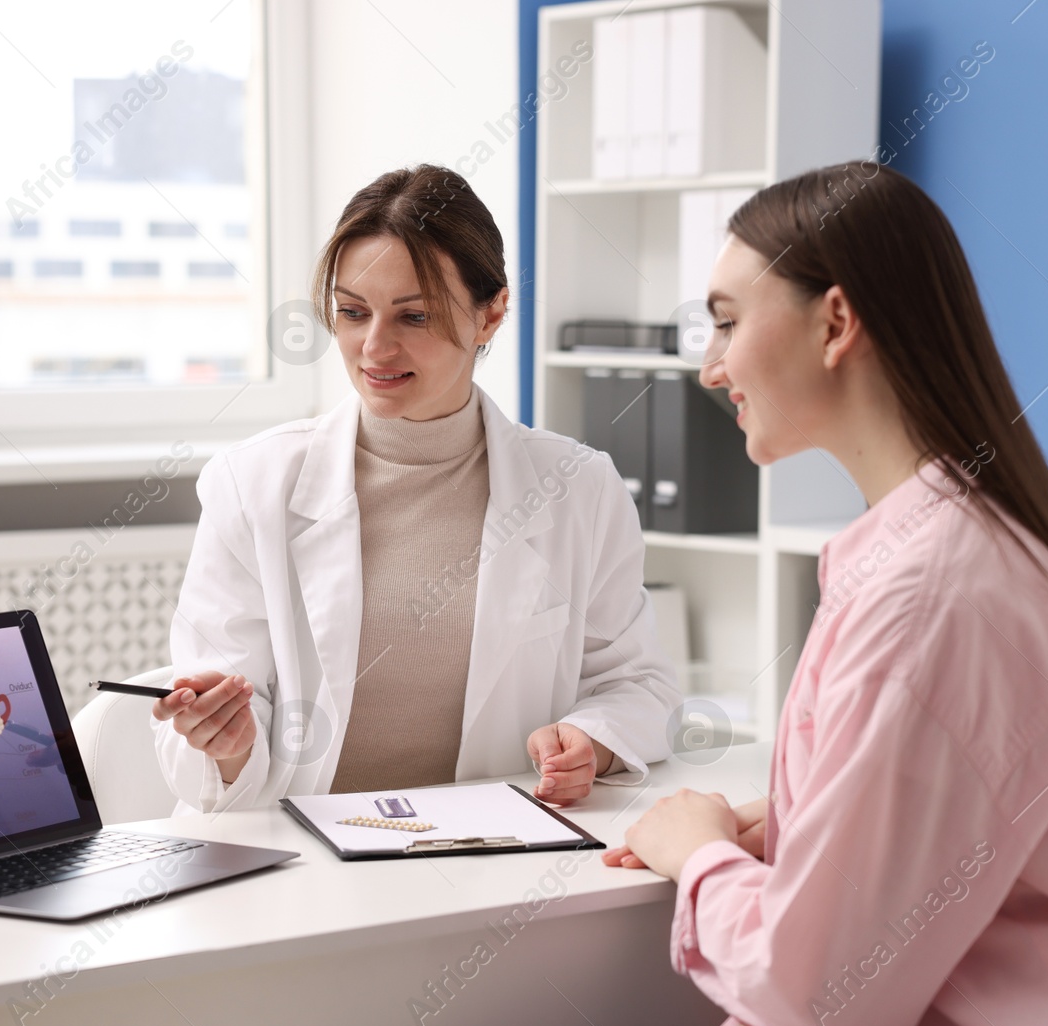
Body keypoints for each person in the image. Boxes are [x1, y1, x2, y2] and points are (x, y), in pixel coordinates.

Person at [599, 162, 1048, 1026]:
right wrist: (807, 817)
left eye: (725, 321)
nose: (711, 367)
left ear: (836, 321)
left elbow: (820, 985)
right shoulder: (945, 549)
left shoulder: (930, 589)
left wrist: (699, 853)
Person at [151, 163, 678, 812]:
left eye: (415, 316)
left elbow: (638, 683)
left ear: (491, 314)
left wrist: (589, 739)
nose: (374, 347)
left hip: (486, 849)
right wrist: (227, 744)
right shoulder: (252, 484)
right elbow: (216, 719)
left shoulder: (579, 488)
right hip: (297, 859)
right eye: (352, 312)